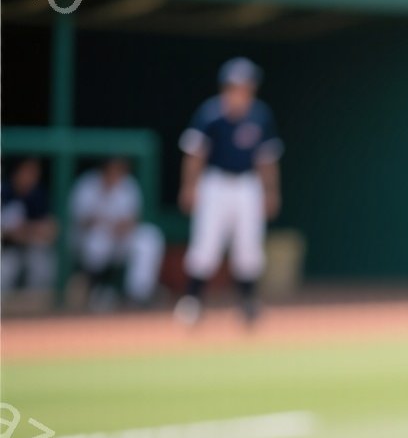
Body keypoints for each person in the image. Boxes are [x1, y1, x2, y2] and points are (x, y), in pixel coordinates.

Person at [176, 56, 283, 326]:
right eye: (238, 85)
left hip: (247, 185)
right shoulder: (210, 113)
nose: (243, 90)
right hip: (215, 183)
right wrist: (190, 186)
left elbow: (266, 159)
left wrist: (270, 191)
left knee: (248, 247)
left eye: (248, 85)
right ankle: (192, 301)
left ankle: (248, 303)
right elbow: (195, 154)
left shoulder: (260, 114)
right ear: (227, 86)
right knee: (206, 244)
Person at [69, 157, 165, 310]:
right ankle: (95, 289)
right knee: (97, 241)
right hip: (90, 239)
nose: (117, 172)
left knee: (149, 238)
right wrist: (103, 223)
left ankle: (138, 295)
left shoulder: (128, 184)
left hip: (121, 238)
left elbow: (133, 220)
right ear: (104, 168)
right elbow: (80, 220)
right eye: (114, 167)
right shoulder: (87, 184)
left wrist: (121, 227)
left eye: (120, 168)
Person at [2, 157, 60, 297]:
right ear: (16, 172)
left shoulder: (38, 195)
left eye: (34, 173)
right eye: (27, 171)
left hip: (32, 248)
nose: (31, 176)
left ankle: (35, 314)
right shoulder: (4, 192)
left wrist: (24, 231)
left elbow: (52, 229)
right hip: (6, 250)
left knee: (42, 266)